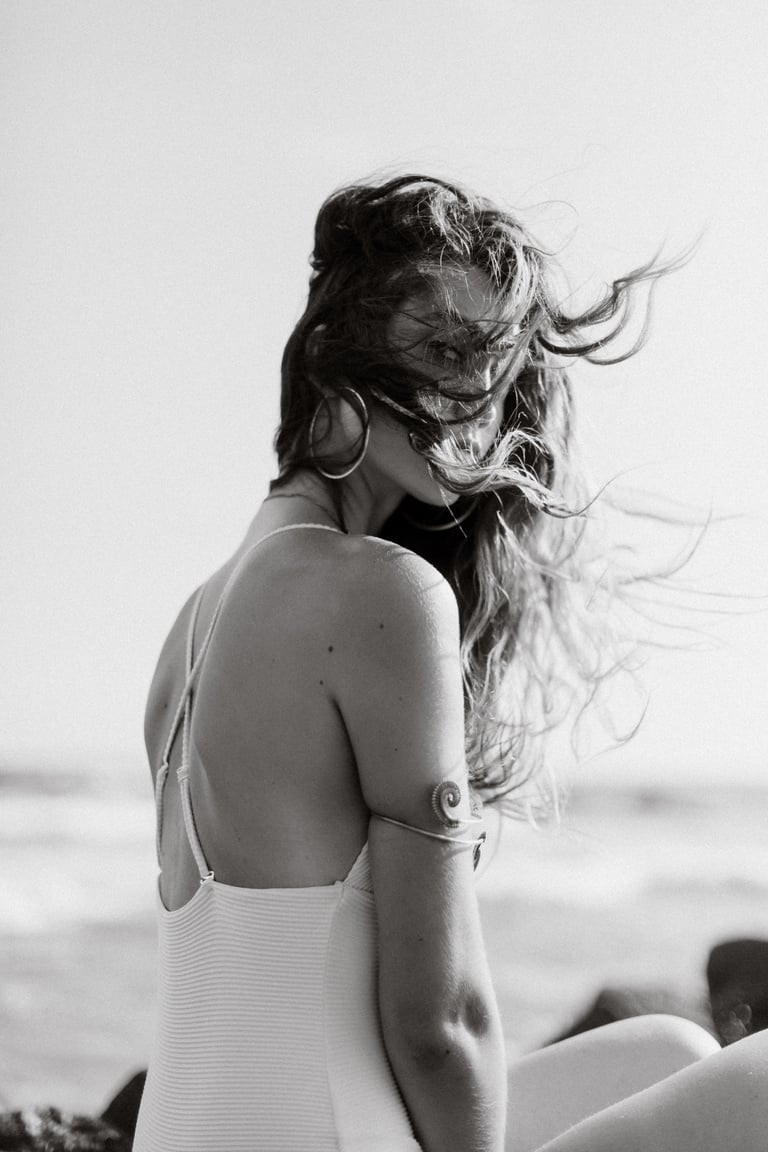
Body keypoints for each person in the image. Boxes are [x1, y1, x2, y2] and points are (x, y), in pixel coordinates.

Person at [133, 175, 768, 1152]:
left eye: (491, 361)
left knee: (672, 1051)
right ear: (334, 370)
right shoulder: (381, 594)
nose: (473, 394)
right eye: (440, 350)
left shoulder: (189, 630)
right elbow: (441, 1026)